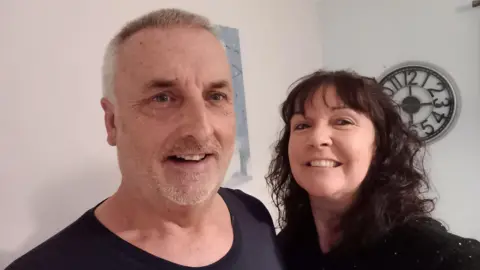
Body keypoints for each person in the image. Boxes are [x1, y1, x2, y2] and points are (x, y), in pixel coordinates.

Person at [7, 8, 285, 270]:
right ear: (112, 122)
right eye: (162, 98)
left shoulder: (254, 216)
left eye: (216, 96)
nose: (201, 129)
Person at [266, 69, 480, 270]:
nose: (317, 138)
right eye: (302, 125)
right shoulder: (279, 249)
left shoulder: (437, 257)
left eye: (342, 121)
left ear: (379, 145)